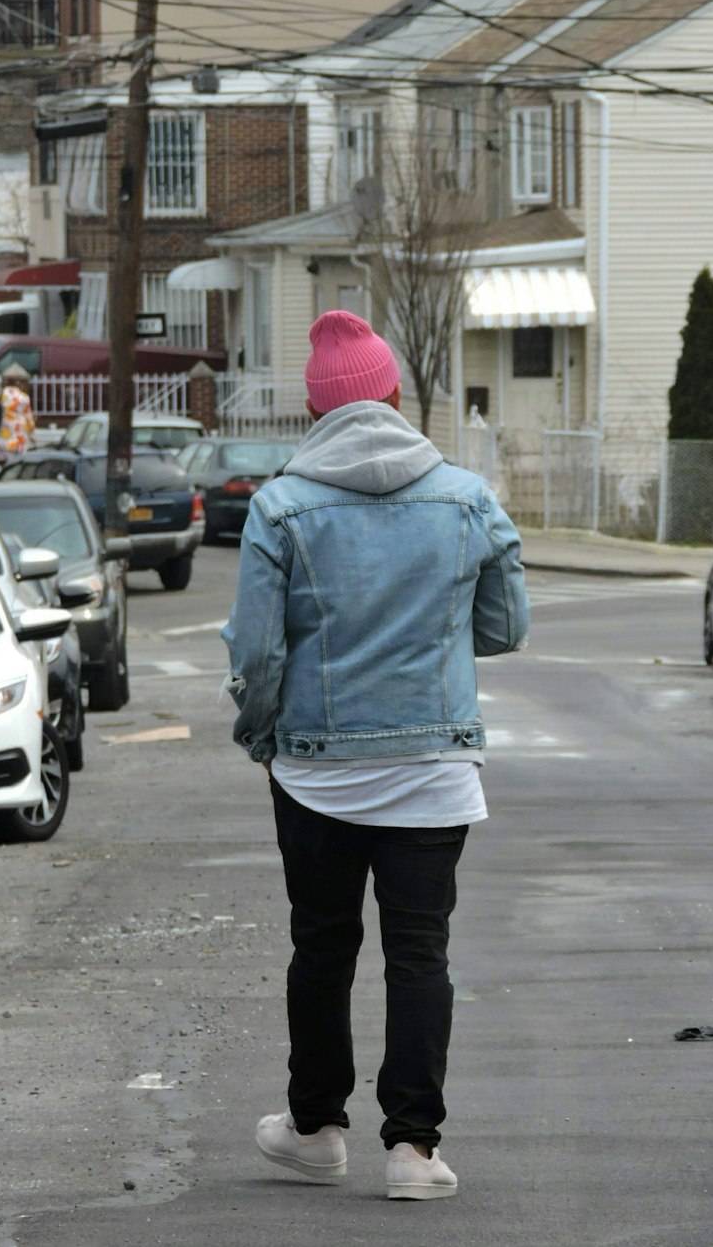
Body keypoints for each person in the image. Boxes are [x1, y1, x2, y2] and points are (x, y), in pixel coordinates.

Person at [223, 310, 529, 1201]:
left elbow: (257, 656)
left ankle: (316, 1129)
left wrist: (264, 736)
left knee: (321, 947)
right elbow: (506, 626)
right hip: (434, 772)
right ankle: (413, 1150)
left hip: (317, 770)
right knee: (419, 953)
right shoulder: (467, 497)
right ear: (394, 395)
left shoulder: (280, 506)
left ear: (317, 413)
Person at [0, 364, 36, 463]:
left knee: (1, 463)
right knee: (16, 462)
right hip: (19, 436)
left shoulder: (0, 394)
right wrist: (33, 435)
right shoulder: (23, 397)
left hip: (2, 435)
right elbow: (29, 418)